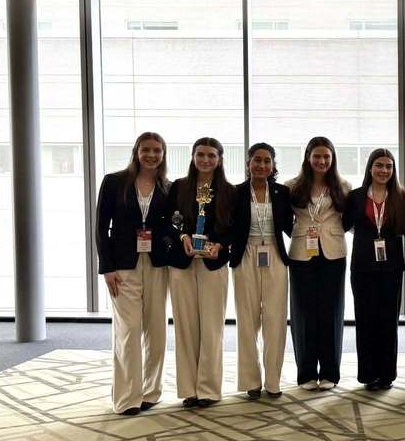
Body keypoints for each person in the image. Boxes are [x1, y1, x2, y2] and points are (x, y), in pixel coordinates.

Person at [96, 131, 171, 415]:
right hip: (123, 266)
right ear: (136, 152)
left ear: (163, 155)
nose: (151, 155)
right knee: (128, 331)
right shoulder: (114, 182)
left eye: (157, 151)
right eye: (146, 149)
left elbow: (170, 228)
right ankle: (127, 397)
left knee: (156, 330)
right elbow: (101, 227)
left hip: (156, 265)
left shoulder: (167, 186)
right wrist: (107, 268)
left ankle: (151, 392)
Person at [165, 137, 234, 408]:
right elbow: (170, 220)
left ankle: (208, 388)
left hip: (213, 263)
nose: (206, 160)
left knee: (212, 326)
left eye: (211, 155)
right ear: (193, 157)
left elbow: (235, 228)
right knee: (185, 327)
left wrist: (220, 244)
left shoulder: (229, 191)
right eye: (201, 154)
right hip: (182, 263)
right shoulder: (179, 187)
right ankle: (188, 389)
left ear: (220, 159)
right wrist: (182, 236)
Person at [229, 142, 293, 401]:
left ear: (273, 165)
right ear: (248, 163)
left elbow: (290, 226)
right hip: (246, 255)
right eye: (257, 160)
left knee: (276, 320)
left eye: (267, 161)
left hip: (275, 256)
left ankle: (273, 380)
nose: (262, 165)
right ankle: (251, 381)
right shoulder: (235, 192)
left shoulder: (282, 192)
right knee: (247, 320)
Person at [287, 136, 351, 392]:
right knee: (303, 313)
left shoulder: (343, 186)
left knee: (331, 312)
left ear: (332, 159)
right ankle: (305, 373)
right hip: (302, 252)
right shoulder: (292, 186)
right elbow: (283, 219)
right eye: (317, 156)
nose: (322, 161)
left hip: (333, 253)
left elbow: (349, 219)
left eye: (326, 156)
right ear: (308, 158)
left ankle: (329, 372)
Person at [343, 149, 405, 391]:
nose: (384, 170)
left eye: (389, 166)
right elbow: (344, 224)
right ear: (370, 168)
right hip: (363, 267)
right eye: (379, 165)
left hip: (391, 267)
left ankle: (386, 374)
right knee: (366, 320)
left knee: (388, 321)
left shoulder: (401, 196)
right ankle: (368, 374)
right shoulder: (355, 196)